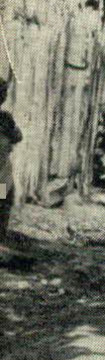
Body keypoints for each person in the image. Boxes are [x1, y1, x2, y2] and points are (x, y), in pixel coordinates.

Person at [0, 77, 21, 245]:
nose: (4, 96)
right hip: (1, 177)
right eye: (3, 92)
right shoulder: (6, 119)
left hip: (2, 175)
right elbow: (17, 136)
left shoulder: (6, 119)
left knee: (2, 204)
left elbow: (17, 137)